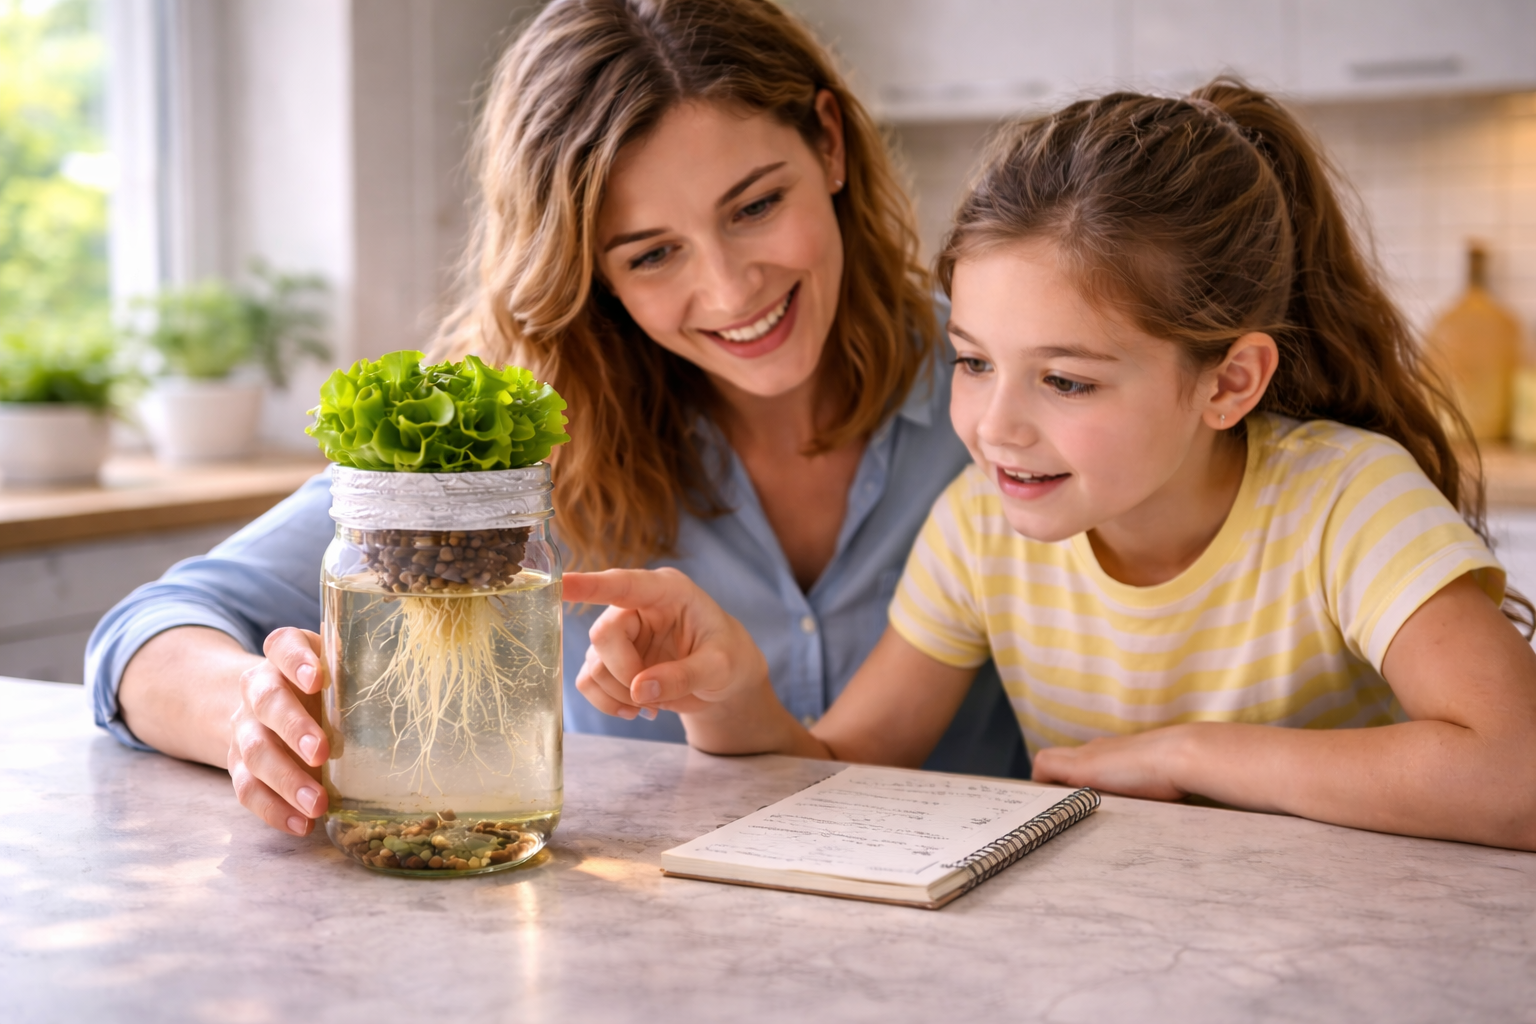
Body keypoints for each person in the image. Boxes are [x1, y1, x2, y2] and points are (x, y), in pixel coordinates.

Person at [84, 0, 1027, 839]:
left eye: (757, 205)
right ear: (590, 274)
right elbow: (151, 629)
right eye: (652, 254)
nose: (731, 287)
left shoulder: (1020, 390)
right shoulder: (511, 439)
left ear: (829, 144)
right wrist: (251, 711)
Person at [565, 81, 1536, 851]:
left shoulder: (1345, 502)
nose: (995, 427)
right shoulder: (979, 528)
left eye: (1066, 381)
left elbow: (1517, 776)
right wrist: (728, 692)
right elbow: (832, 777)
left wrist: (1191, 756)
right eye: (975, 362)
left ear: (1229, 383)